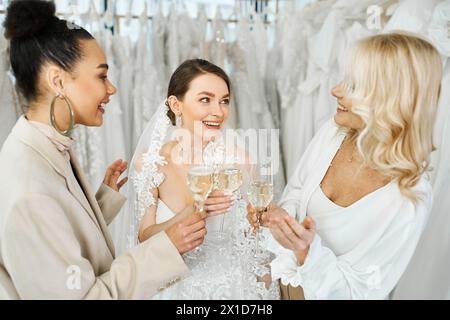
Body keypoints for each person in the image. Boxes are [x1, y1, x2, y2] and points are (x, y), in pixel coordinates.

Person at [0, 0, 206, 300]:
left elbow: (59, 231)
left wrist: (100, 203)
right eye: (101, 76)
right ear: (57, 80)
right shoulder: (31, 193)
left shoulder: (40, 144)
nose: (112, 89)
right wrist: (167, 248)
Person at [248, 32, 442, 299]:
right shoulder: (332, 133)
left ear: (389, 98)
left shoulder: (409, 197)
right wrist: (277, 219)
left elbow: (360, 292)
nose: (335, 90)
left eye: (353, 85)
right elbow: (296, 192)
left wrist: (306, 251)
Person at [128, 58, 280, 299]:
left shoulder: (240, 161)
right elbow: (144, 236)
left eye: (224, 101)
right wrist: (192, 211)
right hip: (173, 288)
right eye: (205, 100)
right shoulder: (150, 163)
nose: (218, 112)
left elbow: (254, 237)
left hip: (231, 290)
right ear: (176, 105)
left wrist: (259, 219)